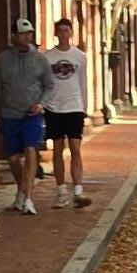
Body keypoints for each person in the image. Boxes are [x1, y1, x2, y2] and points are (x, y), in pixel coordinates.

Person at [0, 12, 52, 215]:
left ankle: (28, 198)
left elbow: (49, 85)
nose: (26, 38)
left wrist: (41, 104)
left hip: (32, 114)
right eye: (22, 34)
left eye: (29, 34)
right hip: (9, 114)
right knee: (13, 159)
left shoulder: (40, 59)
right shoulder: (3, 59)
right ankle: (22, 190)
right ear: (13, 36)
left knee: (31, 150)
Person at [41, 13, 93, 208]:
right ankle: (61, 190)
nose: (63, 34)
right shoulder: (47, 57)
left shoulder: (80, 57)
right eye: (60, 31)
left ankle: (78, 190)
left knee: (75, 147)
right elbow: (44, 83)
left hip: (74, 107)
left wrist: (84, 106)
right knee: (57, 149)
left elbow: (83, 82)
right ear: (56, 33)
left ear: (71, 33)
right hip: (54, 108)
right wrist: (44, 103)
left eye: (66, 30)